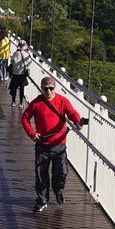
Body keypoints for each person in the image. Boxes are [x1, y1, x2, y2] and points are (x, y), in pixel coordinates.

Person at [21, 76, 87, 212]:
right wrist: (32, 134)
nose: (48, 91)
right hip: (42, 145)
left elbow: (72, 113)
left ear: (55, 88)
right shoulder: (36, 103)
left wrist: (78, 122)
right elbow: (24, 118)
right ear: (41, 88)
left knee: (61, 171)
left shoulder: (63, 101)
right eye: (45, 89)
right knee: (41, 174)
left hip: (59, 144)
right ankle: (42, 200)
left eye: (51, 88)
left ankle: (58, 189)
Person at [8, 40, 31, 107]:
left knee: (14, 88)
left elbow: (12, 62)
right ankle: (21, 103)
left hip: (15, 73)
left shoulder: (15, 53)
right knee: (22, 89)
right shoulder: (26, 54)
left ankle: (13, 102)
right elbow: (29, 62)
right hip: (22, 74)